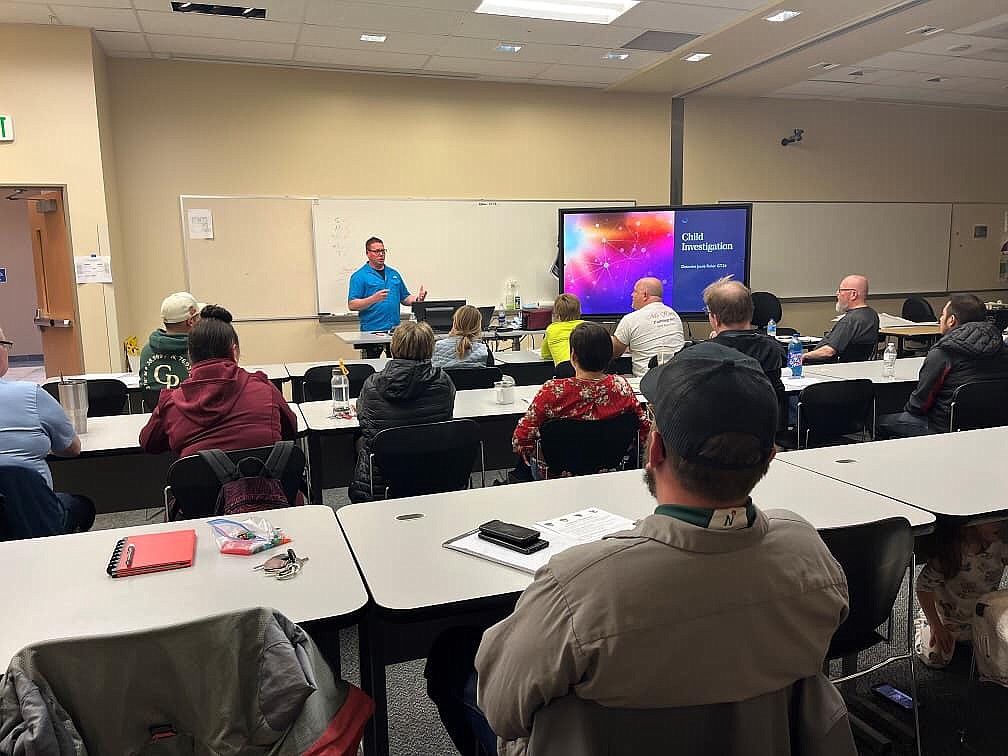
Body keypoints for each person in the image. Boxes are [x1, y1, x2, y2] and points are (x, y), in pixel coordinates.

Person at [426, 342, 849, 755]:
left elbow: (503, 711)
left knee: (450, 658)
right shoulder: (808, 552)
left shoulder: (576, 584)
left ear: (656, 449)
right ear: (771, 457)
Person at [139, 305, 297, 458]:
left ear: (190, 355)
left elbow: (148, 443)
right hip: (263, 484)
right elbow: (291, 429)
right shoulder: (263, 388)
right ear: (234, 352)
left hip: (199, 485)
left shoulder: (171, 404)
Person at [512, 322, 648, 478]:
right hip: (607, 470)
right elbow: (643, 430)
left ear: (573, 356)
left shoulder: (553, 391)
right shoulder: (622, 387)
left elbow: (520, 439)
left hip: (557, 475)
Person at [0, 325, 95, 534]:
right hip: (35, 518)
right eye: (6, 345)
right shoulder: (30, 394)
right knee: (82, 506)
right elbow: (72, 447)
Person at [348, 321, 455, 503]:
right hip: (436, 474)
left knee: (358, 439)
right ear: (431, 347)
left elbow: (365, 424)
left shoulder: (372, 384)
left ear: (393, 346)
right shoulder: (443, 382)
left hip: (382, 481)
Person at [878, 294, 1008, 437]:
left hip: (944, 426)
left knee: (880, 422)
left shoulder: (944, 352)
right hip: (994, 425)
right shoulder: (1001, 348)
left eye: (942, 315)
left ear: (951, 321)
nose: (940, 319)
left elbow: (920, 405)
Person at [915, 520, 1007, 668]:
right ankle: (923, 623)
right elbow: (923, 587)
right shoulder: (950, 553)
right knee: (937, 660)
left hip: (982, 618)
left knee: (997, 662)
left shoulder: (1001, 547)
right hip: (948, 619)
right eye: (991, 521)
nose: (999, 524)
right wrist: (935, 625)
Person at [703, 276, 785, 403]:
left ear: (716, 318)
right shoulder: (772, 349)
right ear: (750, 313)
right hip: (765, 419)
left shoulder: (701, 354)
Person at [347, 236, 427, 358]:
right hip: (371, 331)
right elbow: (352, 305)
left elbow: (404, 297)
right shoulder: (359, 276)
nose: (381, 254)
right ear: (368, 253)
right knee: (372, 366)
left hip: (394, 331)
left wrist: (417, 300)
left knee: (397, 364)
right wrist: (373, 299)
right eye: (377, 251)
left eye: (383, 251)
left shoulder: (393, 274)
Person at [611, 277, 685, 376]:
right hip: (677, 380)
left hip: (646, 383)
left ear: (645, 295)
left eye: (635, 291)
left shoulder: (631, 319)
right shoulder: (674, 315)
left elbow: (614, 353)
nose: (632, 295)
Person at [802, 275, 879, 363]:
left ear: (853, 294)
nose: (837, 293)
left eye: (840, 290)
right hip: (855, 367)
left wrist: (804, 356)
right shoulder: (871, 315)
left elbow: (828, 351)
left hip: (828, 368)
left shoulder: (850, 320)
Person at [139, 291, 204, 389]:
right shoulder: (199, 350)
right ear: (190, 322)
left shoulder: (146, 350)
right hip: (187, 404)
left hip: (156, 404)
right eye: (198, 318)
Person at [432, 305, 494, 369]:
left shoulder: (437, 347)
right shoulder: (484, 351)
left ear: (455, 322)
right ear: (478, 326)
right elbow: (492, 374)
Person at [540, 293, 584, 366]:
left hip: (564, 371)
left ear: (558, 315)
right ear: (579, 311)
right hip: (587, 371)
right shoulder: (587, 326)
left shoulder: (552, 329)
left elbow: (545, 355)